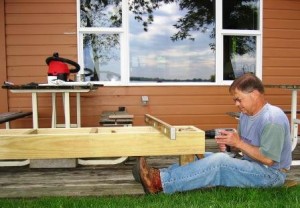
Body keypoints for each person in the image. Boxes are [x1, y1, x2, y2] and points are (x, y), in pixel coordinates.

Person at [132, 73, 292, 194]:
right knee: (202, 156)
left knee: (220, 162)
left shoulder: (272, 119)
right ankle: (160, 174)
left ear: (255, 94)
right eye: (234, 100)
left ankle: (160, 183)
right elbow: (245, 147)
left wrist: (239, 143)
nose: (236, 104)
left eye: (239, 99)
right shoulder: (245, 114)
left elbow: (269, 159)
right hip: (252, 163)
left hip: (271, 175)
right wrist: (231, 146)